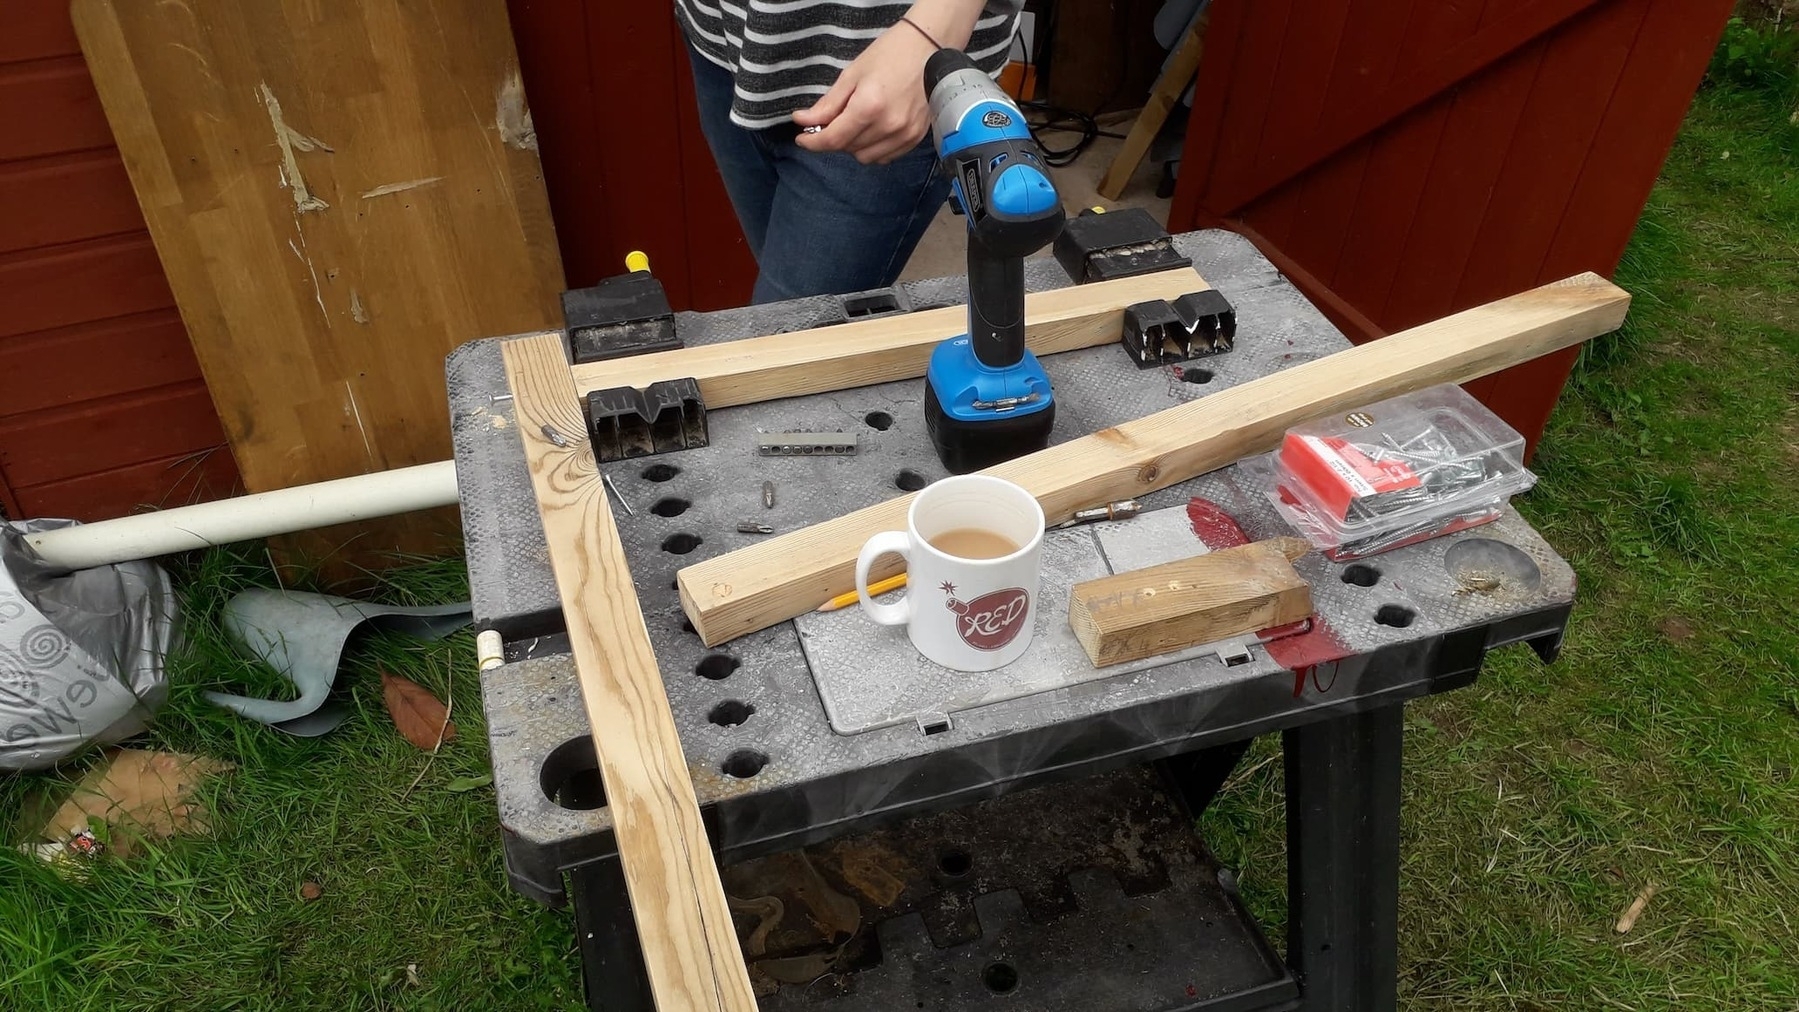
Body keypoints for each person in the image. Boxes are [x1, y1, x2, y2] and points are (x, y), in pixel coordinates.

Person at [674, 0, 1025, 304]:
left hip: (890, 76)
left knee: (792, 349)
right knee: (782, 308)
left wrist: (934, 31)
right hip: (725, 40)